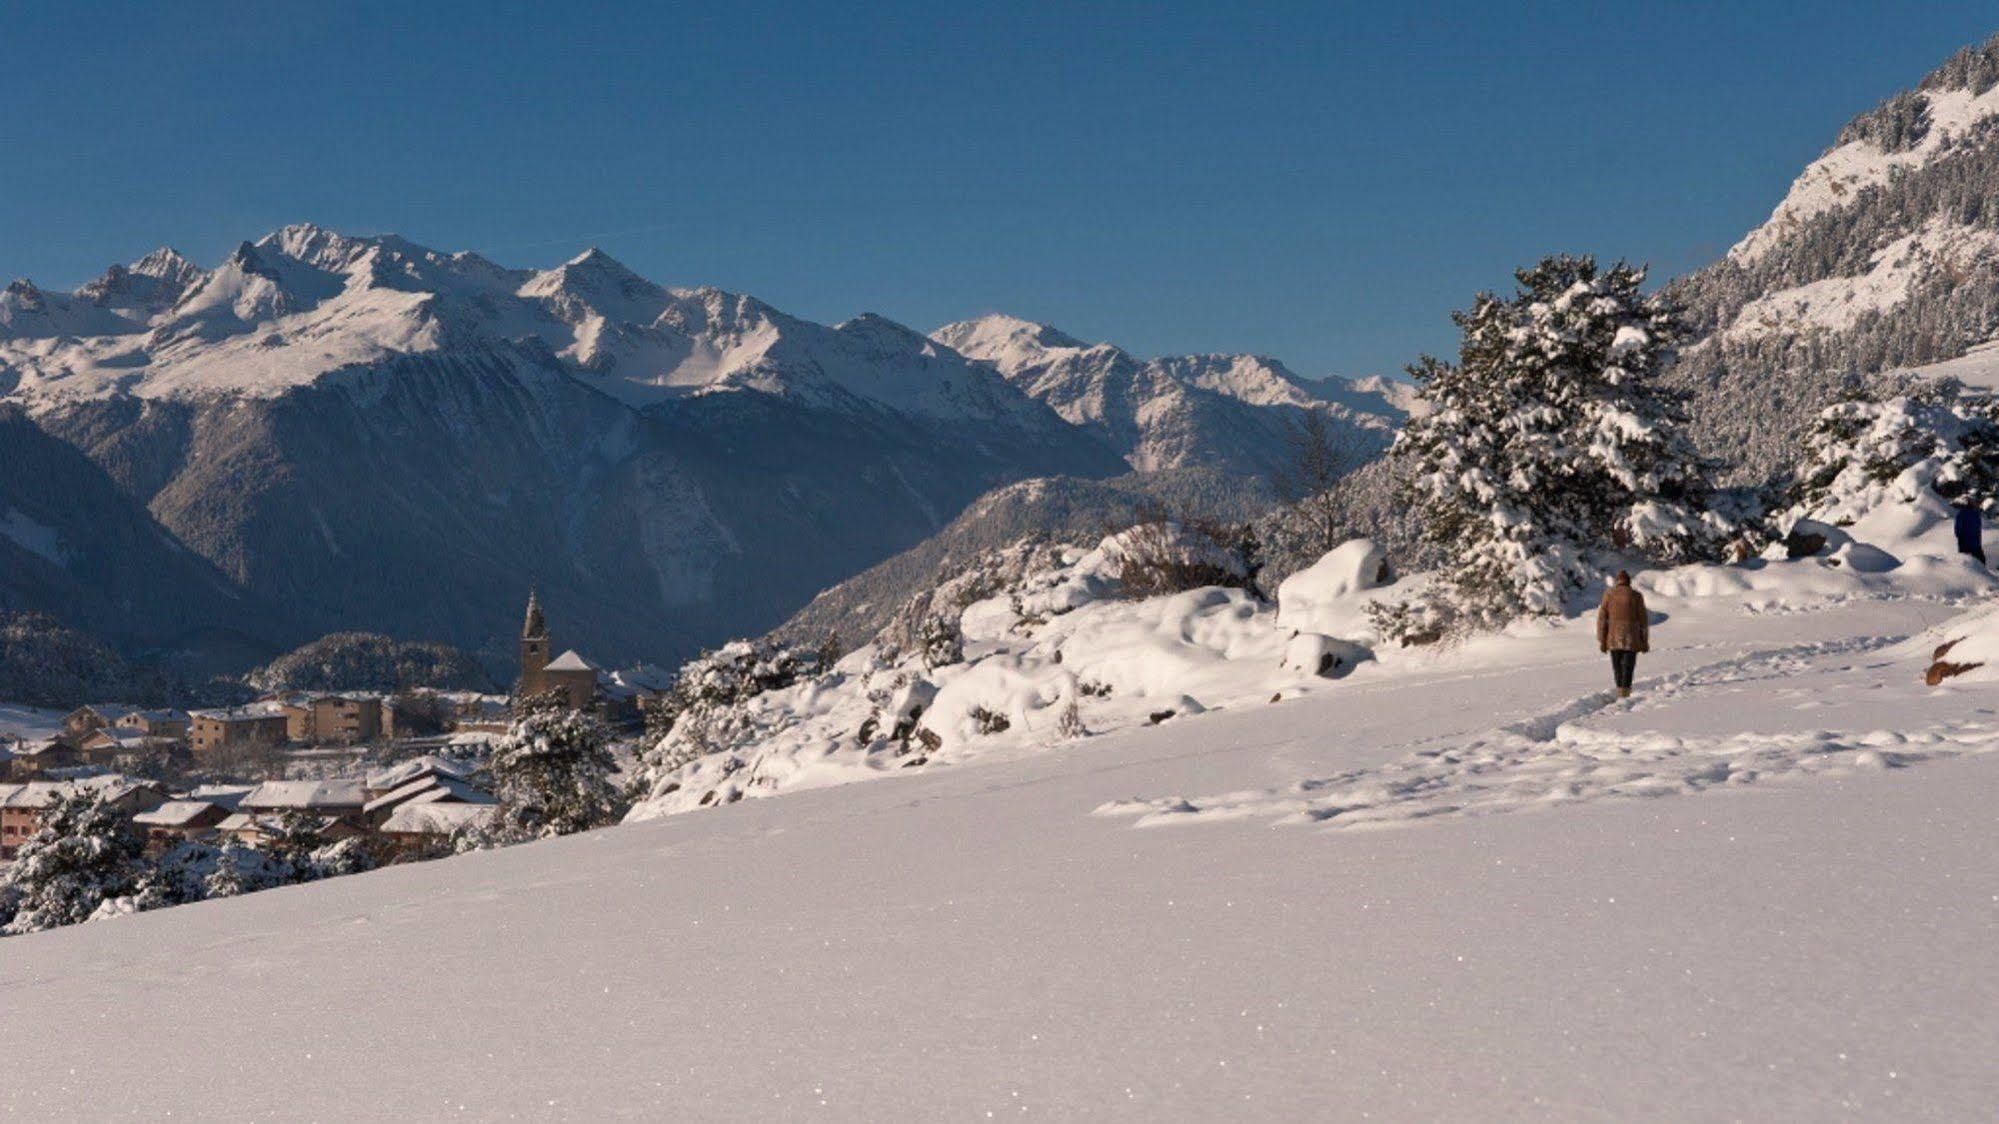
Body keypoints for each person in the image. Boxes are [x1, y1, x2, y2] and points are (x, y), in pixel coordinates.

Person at [1596, 570, 1649, 699]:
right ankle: (1625, 695)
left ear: (1617, 582)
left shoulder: (1609, 595)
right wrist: (1644, 641)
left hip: (1613, 638)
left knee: (1617, 667)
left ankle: (1620, 693)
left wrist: (1602, 640)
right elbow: (1643, 621)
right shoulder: (1636, 596)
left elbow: (1602, 619)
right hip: (1632, 638)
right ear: (1629, 582)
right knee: (1628, 668)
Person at [1955, 502, 1986, 566]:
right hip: (1966, 543)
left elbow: (1978, 529)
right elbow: (1958, 528)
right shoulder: (1963, 513)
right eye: (1976, 504)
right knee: (1966, 562)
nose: (1978, 506)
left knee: (1981, 561)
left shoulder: (1976, 514)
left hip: (1975, 543)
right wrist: (1960, 537)